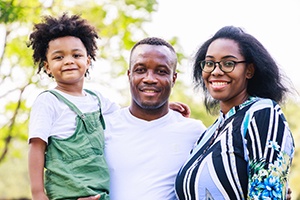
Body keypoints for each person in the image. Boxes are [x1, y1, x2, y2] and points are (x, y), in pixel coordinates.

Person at [78, 37, 206, 200]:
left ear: (173, 79)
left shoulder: (195, 132)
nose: (150, 79)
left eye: (161, 71)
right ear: (129, 75)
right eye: (140, 70)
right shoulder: (103, 127)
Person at [175, 26, 295, 200]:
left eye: (228, 63)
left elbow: (268, 194)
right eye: (209, 63)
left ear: (249, 70)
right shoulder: (209, 133)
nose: (216, 71)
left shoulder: (262, 113)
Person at [27, 13, 119, 200]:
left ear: (87, 60)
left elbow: (128, 114)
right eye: (59, 57)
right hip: (66, 195)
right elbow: (36, 146)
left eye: (76, 55)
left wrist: (161, 109)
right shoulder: (48, 101)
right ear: (47, 66)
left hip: (101, 194)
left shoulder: (97, 99)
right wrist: (38, 193)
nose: (68, 61)